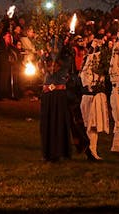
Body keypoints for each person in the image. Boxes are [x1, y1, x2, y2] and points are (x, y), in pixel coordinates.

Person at [39, 34, 74, 162]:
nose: (54, 48)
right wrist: (43, 57)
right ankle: (47, 152)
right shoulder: (45, 57)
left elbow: (60, 66)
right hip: (48, 93)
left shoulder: (66, 57)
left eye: (56, 44)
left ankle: (59, 151)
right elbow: (43, 69)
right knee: (47, 123)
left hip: (59, 94)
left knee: (58, 122)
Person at [79, 40, 109, 161]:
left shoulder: (100, 73)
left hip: (97, 99)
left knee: (95, 127)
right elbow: (87, 66)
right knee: (90, 126)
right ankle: (89, 151)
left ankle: (93, 150)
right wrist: (93, 49)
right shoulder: (86, 72)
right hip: (89, 99)